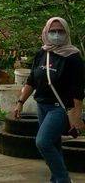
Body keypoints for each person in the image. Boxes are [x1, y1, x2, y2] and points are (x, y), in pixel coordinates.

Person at [14, 17, 85, 183]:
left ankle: (63, 179)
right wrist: (20, 103)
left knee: (43, 142)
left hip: (60, 108)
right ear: (46, 32)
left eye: (60, 31)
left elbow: (78, 89)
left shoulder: (73, 56)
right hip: (42, 106)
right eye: (53, 31)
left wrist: (76, 115)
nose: (56, 34)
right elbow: (32, 80)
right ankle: (56, 179)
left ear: (66, 33)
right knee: (53, 144)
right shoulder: (42, 53)